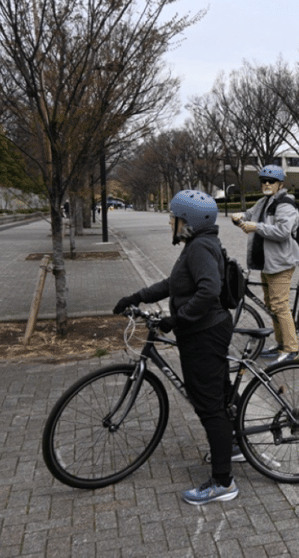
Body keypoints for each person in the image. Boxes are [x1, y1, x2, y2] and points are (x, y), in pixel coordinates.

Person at [112, 189, 240, 506]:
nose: (170, 221)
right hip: (206, 330)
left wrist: (177, 319)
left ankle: (223, 482)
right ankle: (235, 445)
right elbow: (173, 284)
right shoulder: (197, 245)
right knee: (219, 394)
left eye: (174, 216)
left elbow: (209, 290)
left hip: (204, 332)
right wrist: (137, 296)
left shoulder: (199, 248)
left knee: (208, 405)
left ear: (189, 222)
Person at [231, 165, 299, 362]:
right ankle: (281, 345)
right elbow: (250, 214)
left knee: (280, 305)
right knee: (272, 305)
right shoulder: (264, 201)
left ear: (281, 184)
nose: (267, 184)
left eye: (271, 181)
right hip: (266, 263)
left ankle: (292, 350)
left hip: (281, 263)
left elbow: (282, 232)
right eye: (264, 181)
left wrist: (256, 227)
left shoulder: (286, 204)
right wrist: (240, 217)